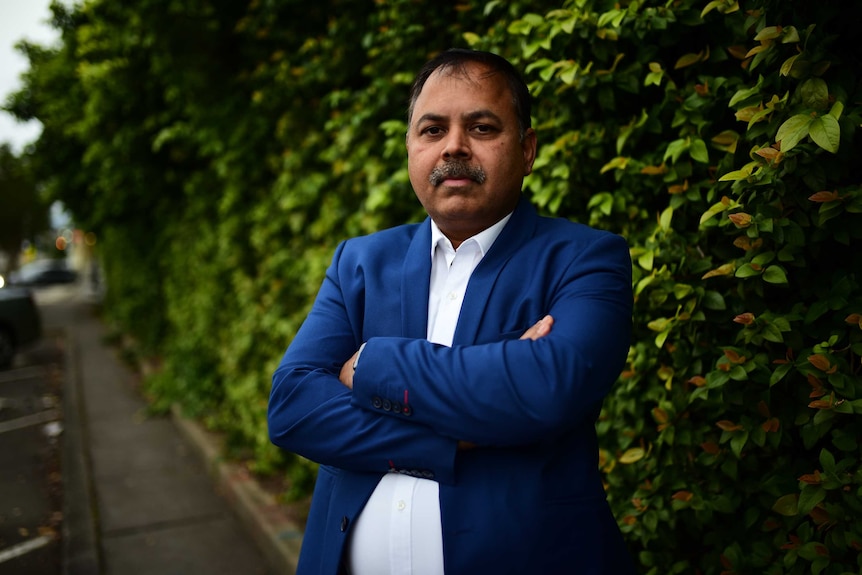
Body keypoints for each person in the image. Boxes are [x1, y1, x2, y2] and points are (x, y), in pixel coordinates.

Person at [268, 48, 635, 575]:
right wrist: (462, 428)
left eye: (482, 128)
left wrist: (371, 365)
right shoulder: (362, 262)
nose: (454, 147)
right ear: (411, 149)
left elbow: (548, 386)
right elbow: (292, 406)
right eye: (432, 129)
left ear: (527, 150)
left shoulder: (584, 258)